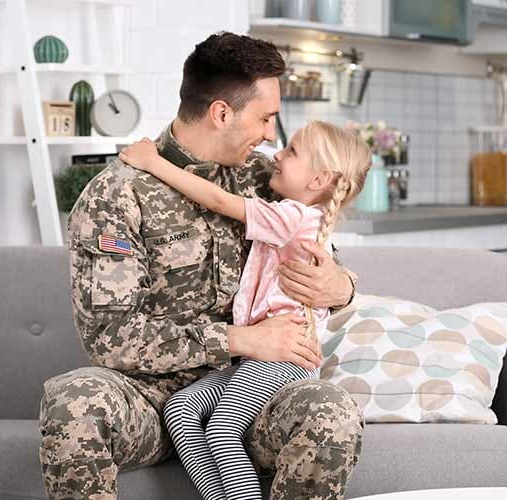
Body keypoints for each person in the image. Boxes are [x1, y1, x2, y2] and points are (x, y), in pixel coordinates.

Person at [38, 32, 363, 500]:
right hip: (150, 402)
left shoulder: (262, 177)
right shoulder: (117, 195)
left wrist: (341, 286)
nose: (273, 136)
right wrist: (240, 338)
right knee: (75, 399)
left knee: (330, 409)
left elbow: (317, 246)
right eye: (266, 117)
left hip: (252, 396)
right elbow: (110, 338)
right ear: (222, 113)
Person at [117, 120, 372, 500]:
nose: (277, 154)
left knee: (222, 428)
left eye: (292, 151)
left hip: (282, 359)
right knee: (180, 408)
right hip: (254, 358)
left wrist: (153, 163)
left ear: (319, 180)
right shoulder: (298, 217)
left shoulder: (293, 218)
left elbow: (219, 201)